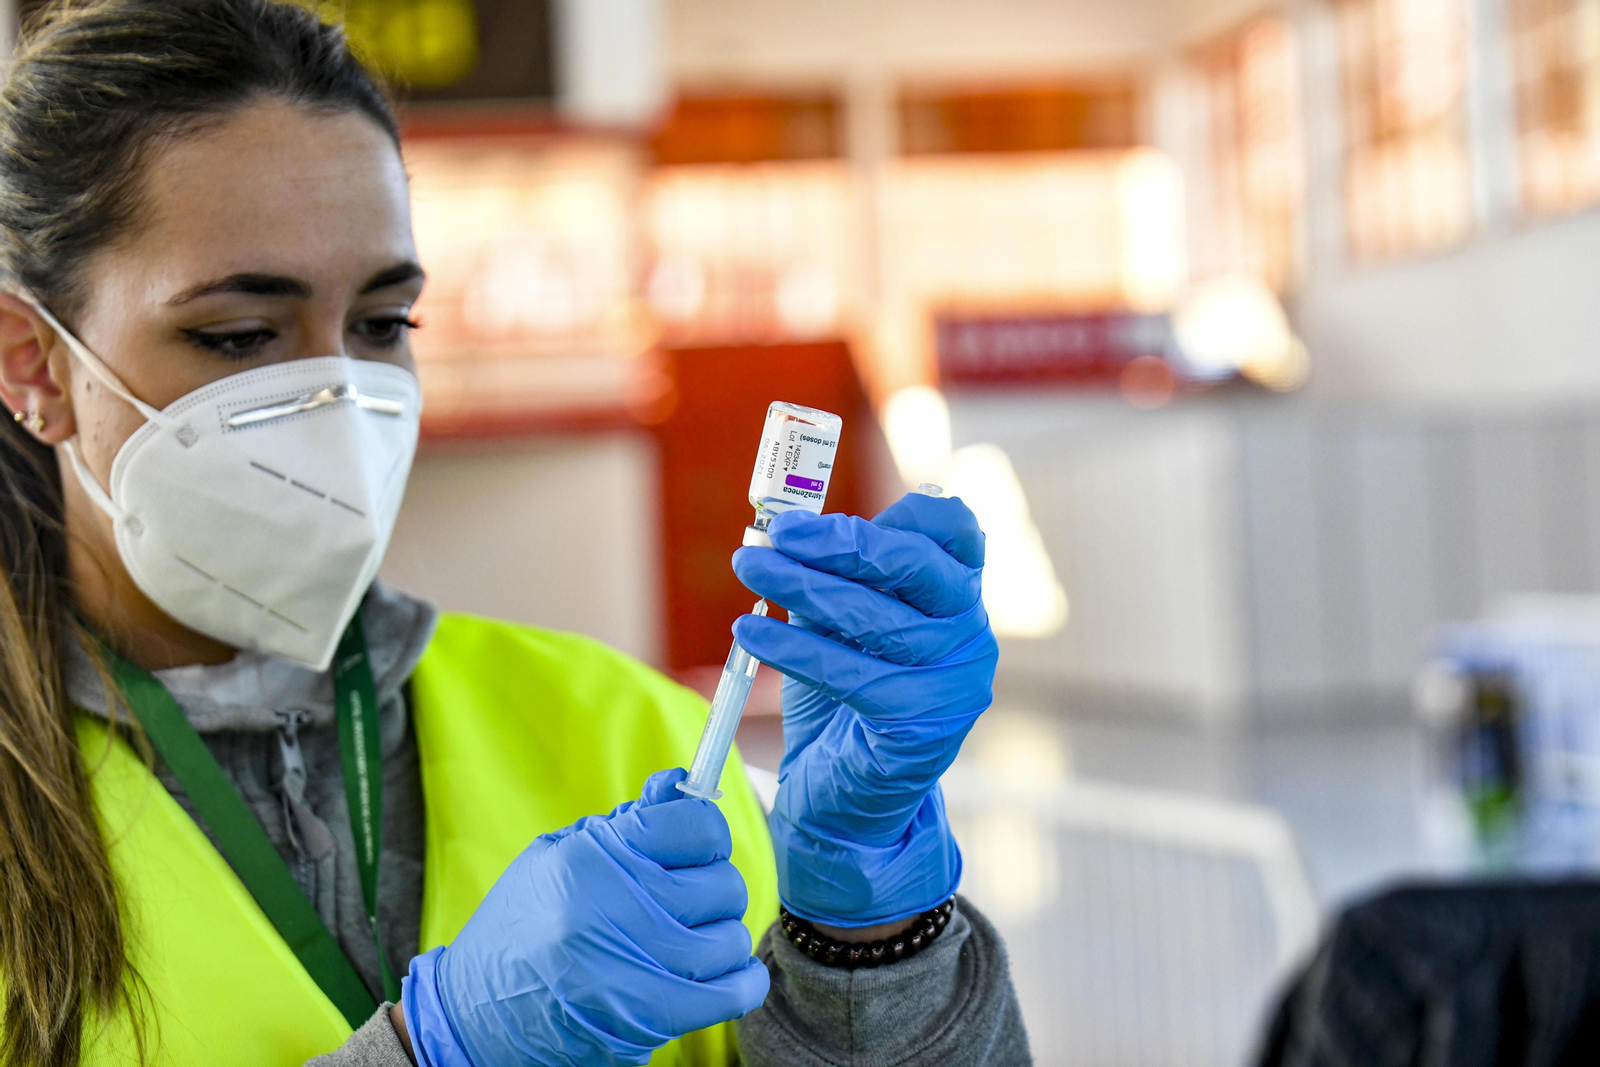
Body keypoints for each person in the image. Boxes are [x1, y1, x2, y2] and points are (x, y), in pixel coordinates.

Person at [0, 2, 1030, 1065]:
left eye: (381, 324)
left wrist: (868, 941)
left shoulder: (633, 738)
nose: (341, 396)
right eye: (238, 333)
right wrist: (428, 1048)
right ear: (34, 360)